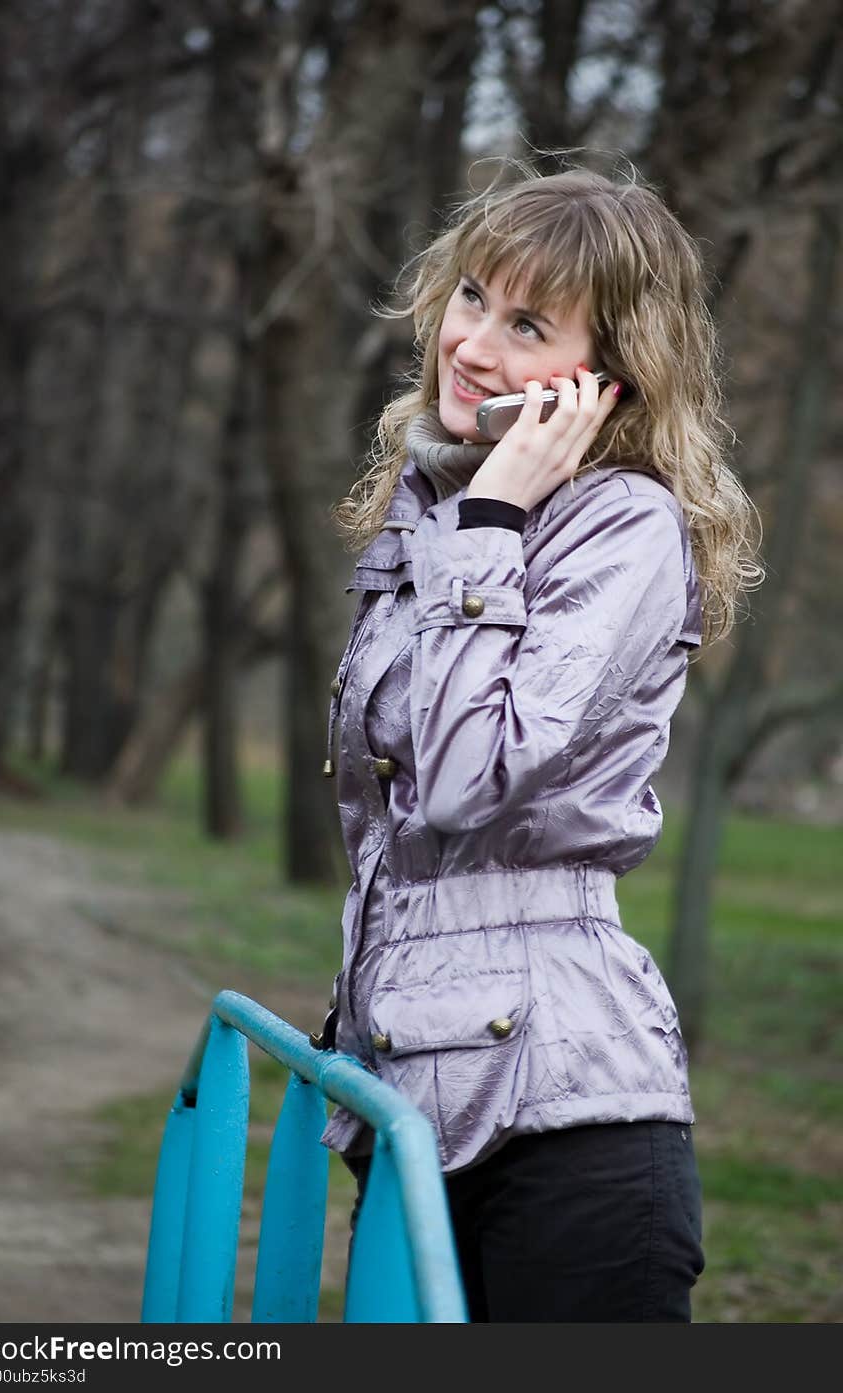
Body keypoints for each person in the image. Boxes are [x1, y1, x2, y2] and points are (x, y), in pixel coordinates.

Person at [314, 158, 762, 1323]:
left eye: (527, 325)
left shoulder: (619, 527)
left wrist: (495, 518)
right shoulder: (435, 508)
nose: (472, 344)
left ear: (605, 378)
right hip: (411, 1091)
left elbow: (460, 786)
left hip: (563, 1134)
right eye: (471, 297)